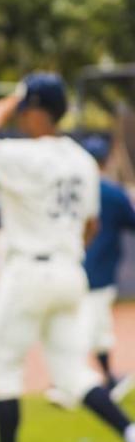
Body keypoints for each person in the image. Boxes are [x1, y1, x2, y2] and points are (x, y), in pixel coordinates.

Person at [0, 74, 135, 442]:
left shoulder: (27, 155)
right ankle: (131, 432)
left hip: (28, 273)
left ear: (35, 110)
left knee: (3, 372)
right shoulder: (80, 160)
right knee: (74, 373)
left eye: (23, 106)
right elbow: (90, 225)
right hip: (70, 272)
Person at [80, 134, 135, 402]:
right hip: (99, 274)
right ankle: (87, 382)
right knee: (94, 329)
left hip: (68, 269)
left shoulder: (73, 190)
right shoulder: (113, 194)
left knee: (82, 327)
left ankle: (76, 379)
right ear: (106, 160)